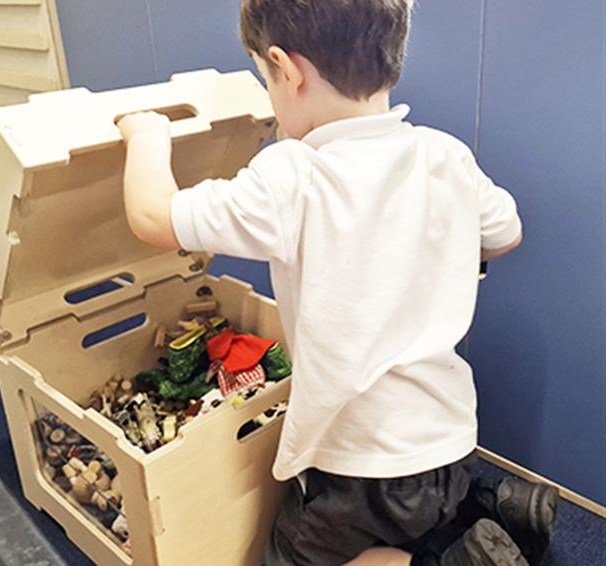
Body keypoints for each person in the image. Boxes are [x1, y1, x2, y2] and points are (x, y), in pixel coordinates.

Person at [117, 1, 558, 564]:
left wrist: (146, 135)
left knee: (294, 554)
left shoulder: (293, 175)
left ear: (287, 68)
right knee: (422, 510)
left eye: (265, 79)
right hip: (450, 441)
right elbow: (506, 234)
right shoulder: (443, 154)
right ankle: (497, 507)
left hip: (358, 469)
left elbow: (154, 218)